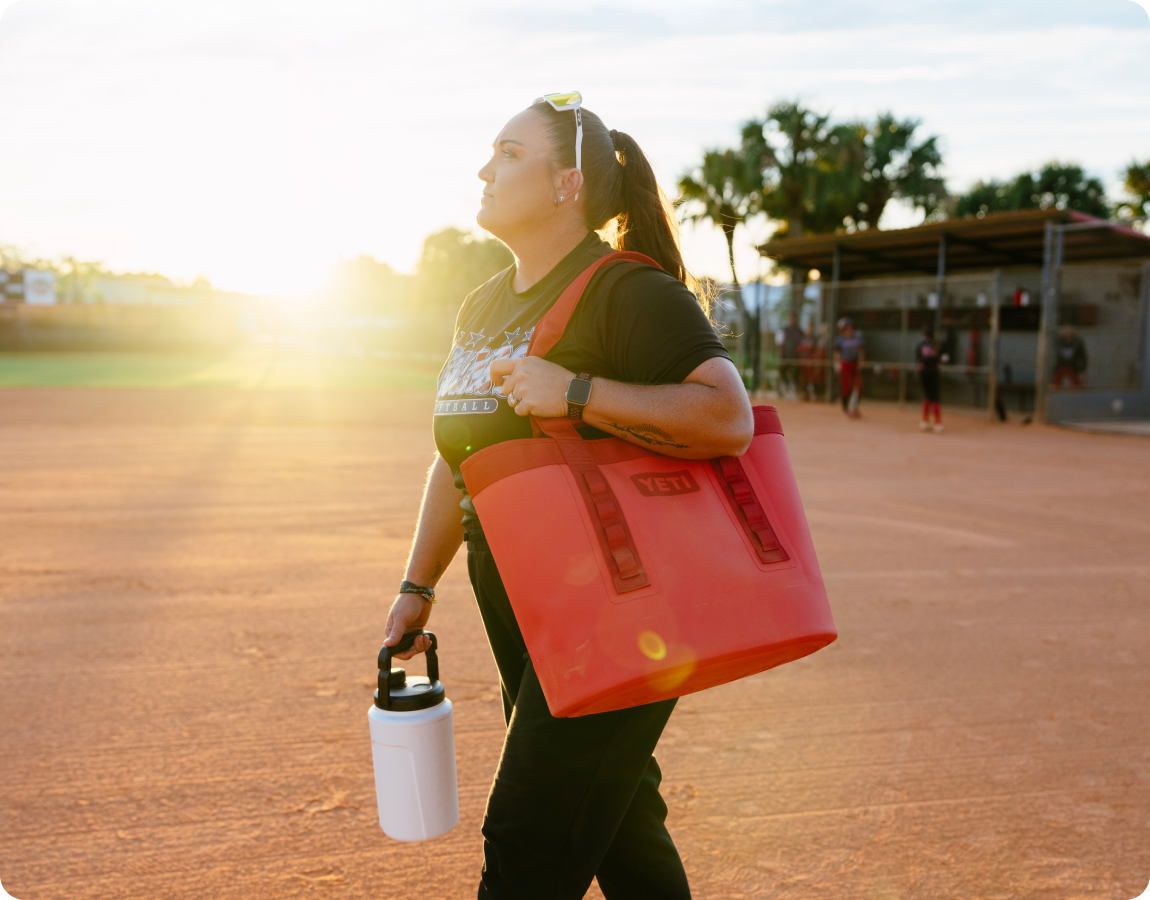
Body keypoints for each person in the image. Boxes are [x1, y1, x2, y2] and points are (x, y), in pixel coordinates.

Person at [382, 92, 752, 899]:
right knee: (620, 828)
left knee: (527, 841)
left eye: (509, 154)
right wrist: (418, 583)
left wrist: (576, 391)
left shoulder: (626, 290)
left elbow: (728, 416)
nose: (484, 169)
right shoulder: (483, 305)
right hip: (518, 597)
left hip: (618, 605)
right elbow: (459, 456)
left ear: (567, 184)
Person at [915, 325, 946, 433]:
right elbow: (942, 358)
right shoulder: (936, 345)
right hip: (933, 372)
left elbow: (918, 360)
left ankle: (925, 421)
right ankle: (937, 423)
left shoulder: (920, 345)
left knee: (927, 395)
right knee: (935, 397)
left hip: (923, 372)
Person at [832, 317, 865, 417]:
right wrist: (837, 365)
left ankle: (854, 408)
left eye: (850, 327)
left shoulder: (857, 337)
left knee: (858, 386)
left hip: (855, 364)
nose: (849, 329)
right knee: (846, 386)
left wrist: (861, 362)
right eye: (846, 327)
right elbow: (837, 353)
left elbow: (861, 351)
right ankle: (845, 408)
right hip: (845, 364)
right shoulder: (840, 339)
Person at [778, 312, 804, 398]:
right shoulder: (785, 330)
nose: (793, 320)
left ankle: (794, 390)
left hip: (795, 357)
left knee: (796, 373)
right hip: (785, 356)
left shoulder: (799, 331)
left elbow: (802, 345)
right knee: (782, 371)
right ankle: (783, 388)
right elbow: (779, 343)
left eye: (794, 318)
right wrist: (781, 354)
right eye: (791, 318)